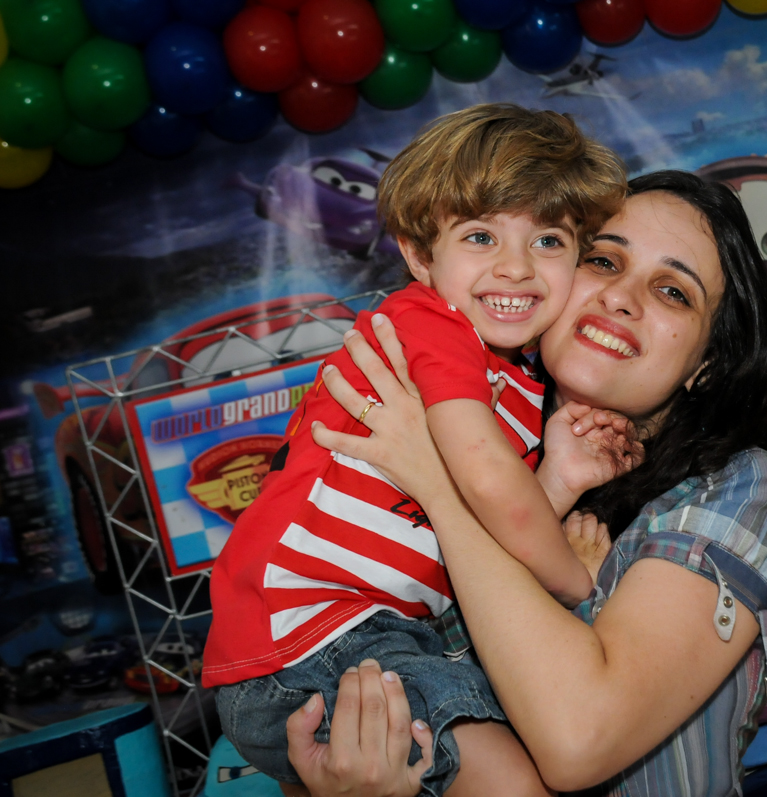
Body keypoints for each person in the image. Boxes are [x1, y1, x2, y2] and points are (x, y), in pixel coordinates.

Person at [287, 171, 767, 796]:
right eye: (602, 260)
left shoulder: (739, 488)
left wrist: (441, 490)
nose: (621, 298)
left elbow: (578, 739)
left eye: (672, 292)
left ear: (706, 365)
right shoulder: (461, 432)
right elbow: (327, 694)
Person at [202, 104, 629, 796]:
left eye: (548, 241)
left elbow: (461, 526)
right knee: (516, 781)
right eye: (482, 236)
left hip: (388, 633)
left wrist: (556, 475)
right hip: (311, 637)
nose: (517, 268)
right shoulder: (428, 325)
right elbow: (488, 487)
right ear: (420, 255)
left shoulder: (518, 378)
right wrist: (583, 587)